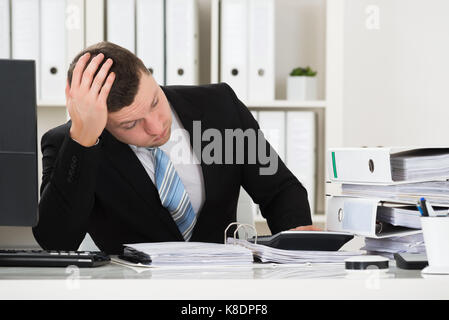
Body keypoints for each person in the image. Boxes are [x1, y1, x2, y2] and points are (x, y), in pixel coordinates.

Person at [33, 42, 316, 254]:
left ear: (149, 74)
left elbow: (280, 190)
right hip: (133, 292)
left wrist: (298, 240)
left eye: (155, 101)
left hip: (224, 286)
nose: (156, 128)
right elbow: (56, 241)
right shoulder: (69, 145)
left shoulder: (219, 106)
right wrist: (83, 139)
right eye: (131, 125)